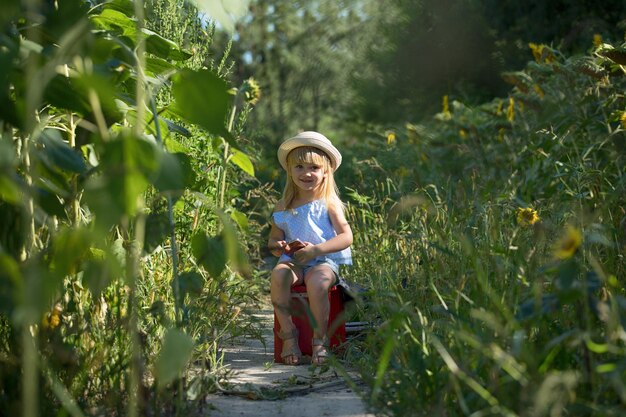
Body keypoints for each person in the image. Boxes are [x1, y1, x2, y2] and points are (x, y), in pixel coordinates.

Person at [268, 131, 353, 365]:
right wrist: (280, 246)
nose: (306, 173)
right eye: (299, 166)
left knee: (318, 282)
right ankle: (288, 335)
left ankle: (320, 339)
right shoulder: (284, 205)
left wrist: (316, 250)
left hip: (323, 260)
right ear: (289, 170)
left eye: (314, 168)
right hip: (293, 260)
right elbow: (273, 241)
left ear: (326, 171)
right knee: (279, 275)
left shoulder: (330, 203)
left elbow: (346, 237)